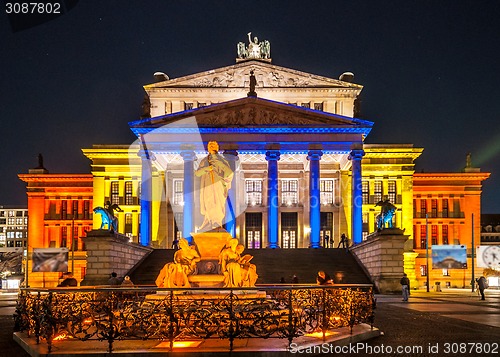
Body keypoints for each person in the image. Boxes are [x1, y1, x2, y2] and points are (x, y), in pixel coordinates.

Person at [194, 141, 234, 231]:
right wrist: (207, 169)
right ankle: (209, 222)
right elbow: (197, 173)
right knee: (208, 202)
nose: (211, 147)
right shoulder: (204, 161)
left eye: (213, 145)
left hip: (218, 184)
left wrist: (217, 162)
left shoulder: (222, 160)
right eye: (210, 146)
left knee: (218, 204)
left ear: (217, 147)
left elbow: (229, 173)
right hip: (207, 185)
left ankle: (216, 222)